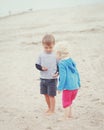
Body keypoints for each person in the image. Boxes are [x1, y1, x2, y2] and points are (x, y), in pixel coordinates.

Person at [55, 42, 81, 120]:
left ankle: (65, 117)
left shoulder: (62, 63)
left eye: (56, 53)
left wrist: (60, 88)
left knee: (66, 102)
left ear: (59, 54)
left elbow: (63, 77)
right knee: (70, 102)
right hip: (75, 87)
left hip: (68, 87)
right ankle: (70, 115)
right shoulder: (71, 60)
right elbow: (76, 72)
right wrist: (78, 83)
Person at [35, 34, 58, 115]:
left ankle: (52, 110)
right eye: (46, 47)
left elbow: (59, 66)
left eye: (50, 47)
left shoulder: (56, 54)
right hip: (43, 78)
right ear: (43, 45)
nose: (48, 49)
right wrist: (41, 68)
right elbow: (37, 65)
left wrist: (57, 73)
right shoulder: (41, 55)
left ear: (54, 45)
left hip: (52, 79)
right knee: (45, 94)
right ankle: (49, 108)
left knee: (51, 95)